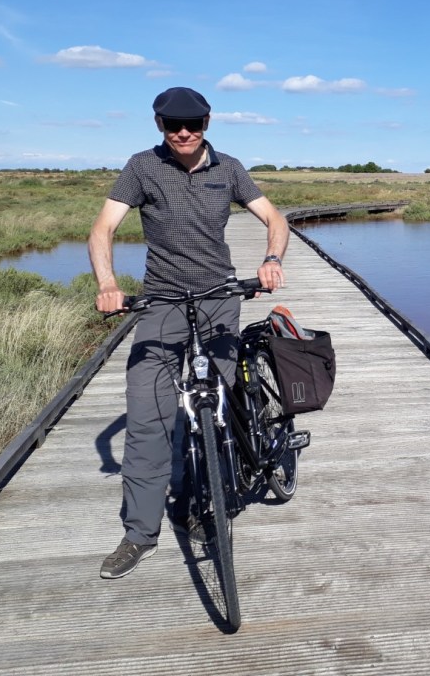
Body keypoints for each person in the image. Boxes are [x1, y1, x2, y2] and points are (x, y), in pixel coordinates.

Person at [88, 86, 289, 579]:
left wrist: (271, 259)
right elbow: (102, 229)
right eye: (172, 124)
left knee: (215, 413)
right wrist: (109, 284)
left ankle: (205, 506)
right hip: (160, 301)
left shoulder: (230, 168)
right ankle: (140, 534)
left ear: (207, 123)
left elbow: (274, 219)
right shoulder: (141, 167)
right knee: (147, 417)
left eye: (193, 124)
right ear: (158, 124)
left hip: (219, 298)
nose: (183, 133)